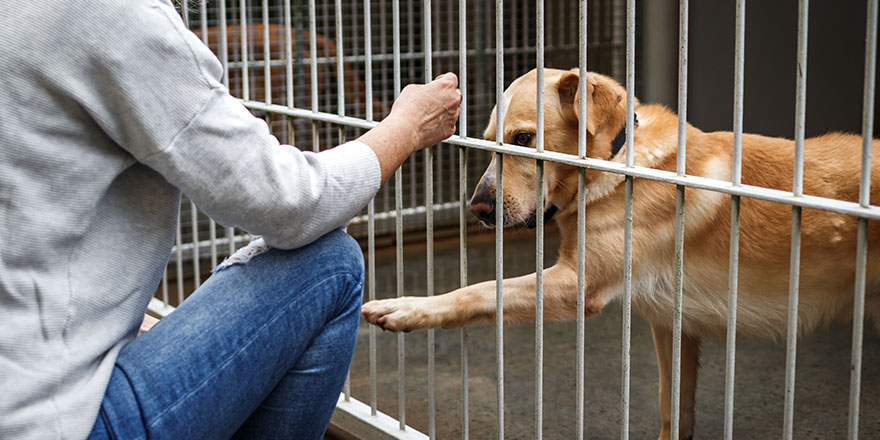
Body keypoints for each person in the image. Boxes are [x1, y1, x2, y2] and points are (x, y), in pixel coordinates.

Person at [0, 0, 461, 439]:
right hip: (53, 422)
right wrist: (405, 128)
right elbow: (287, 202)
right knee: (329, 264)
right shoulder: (112, 16)